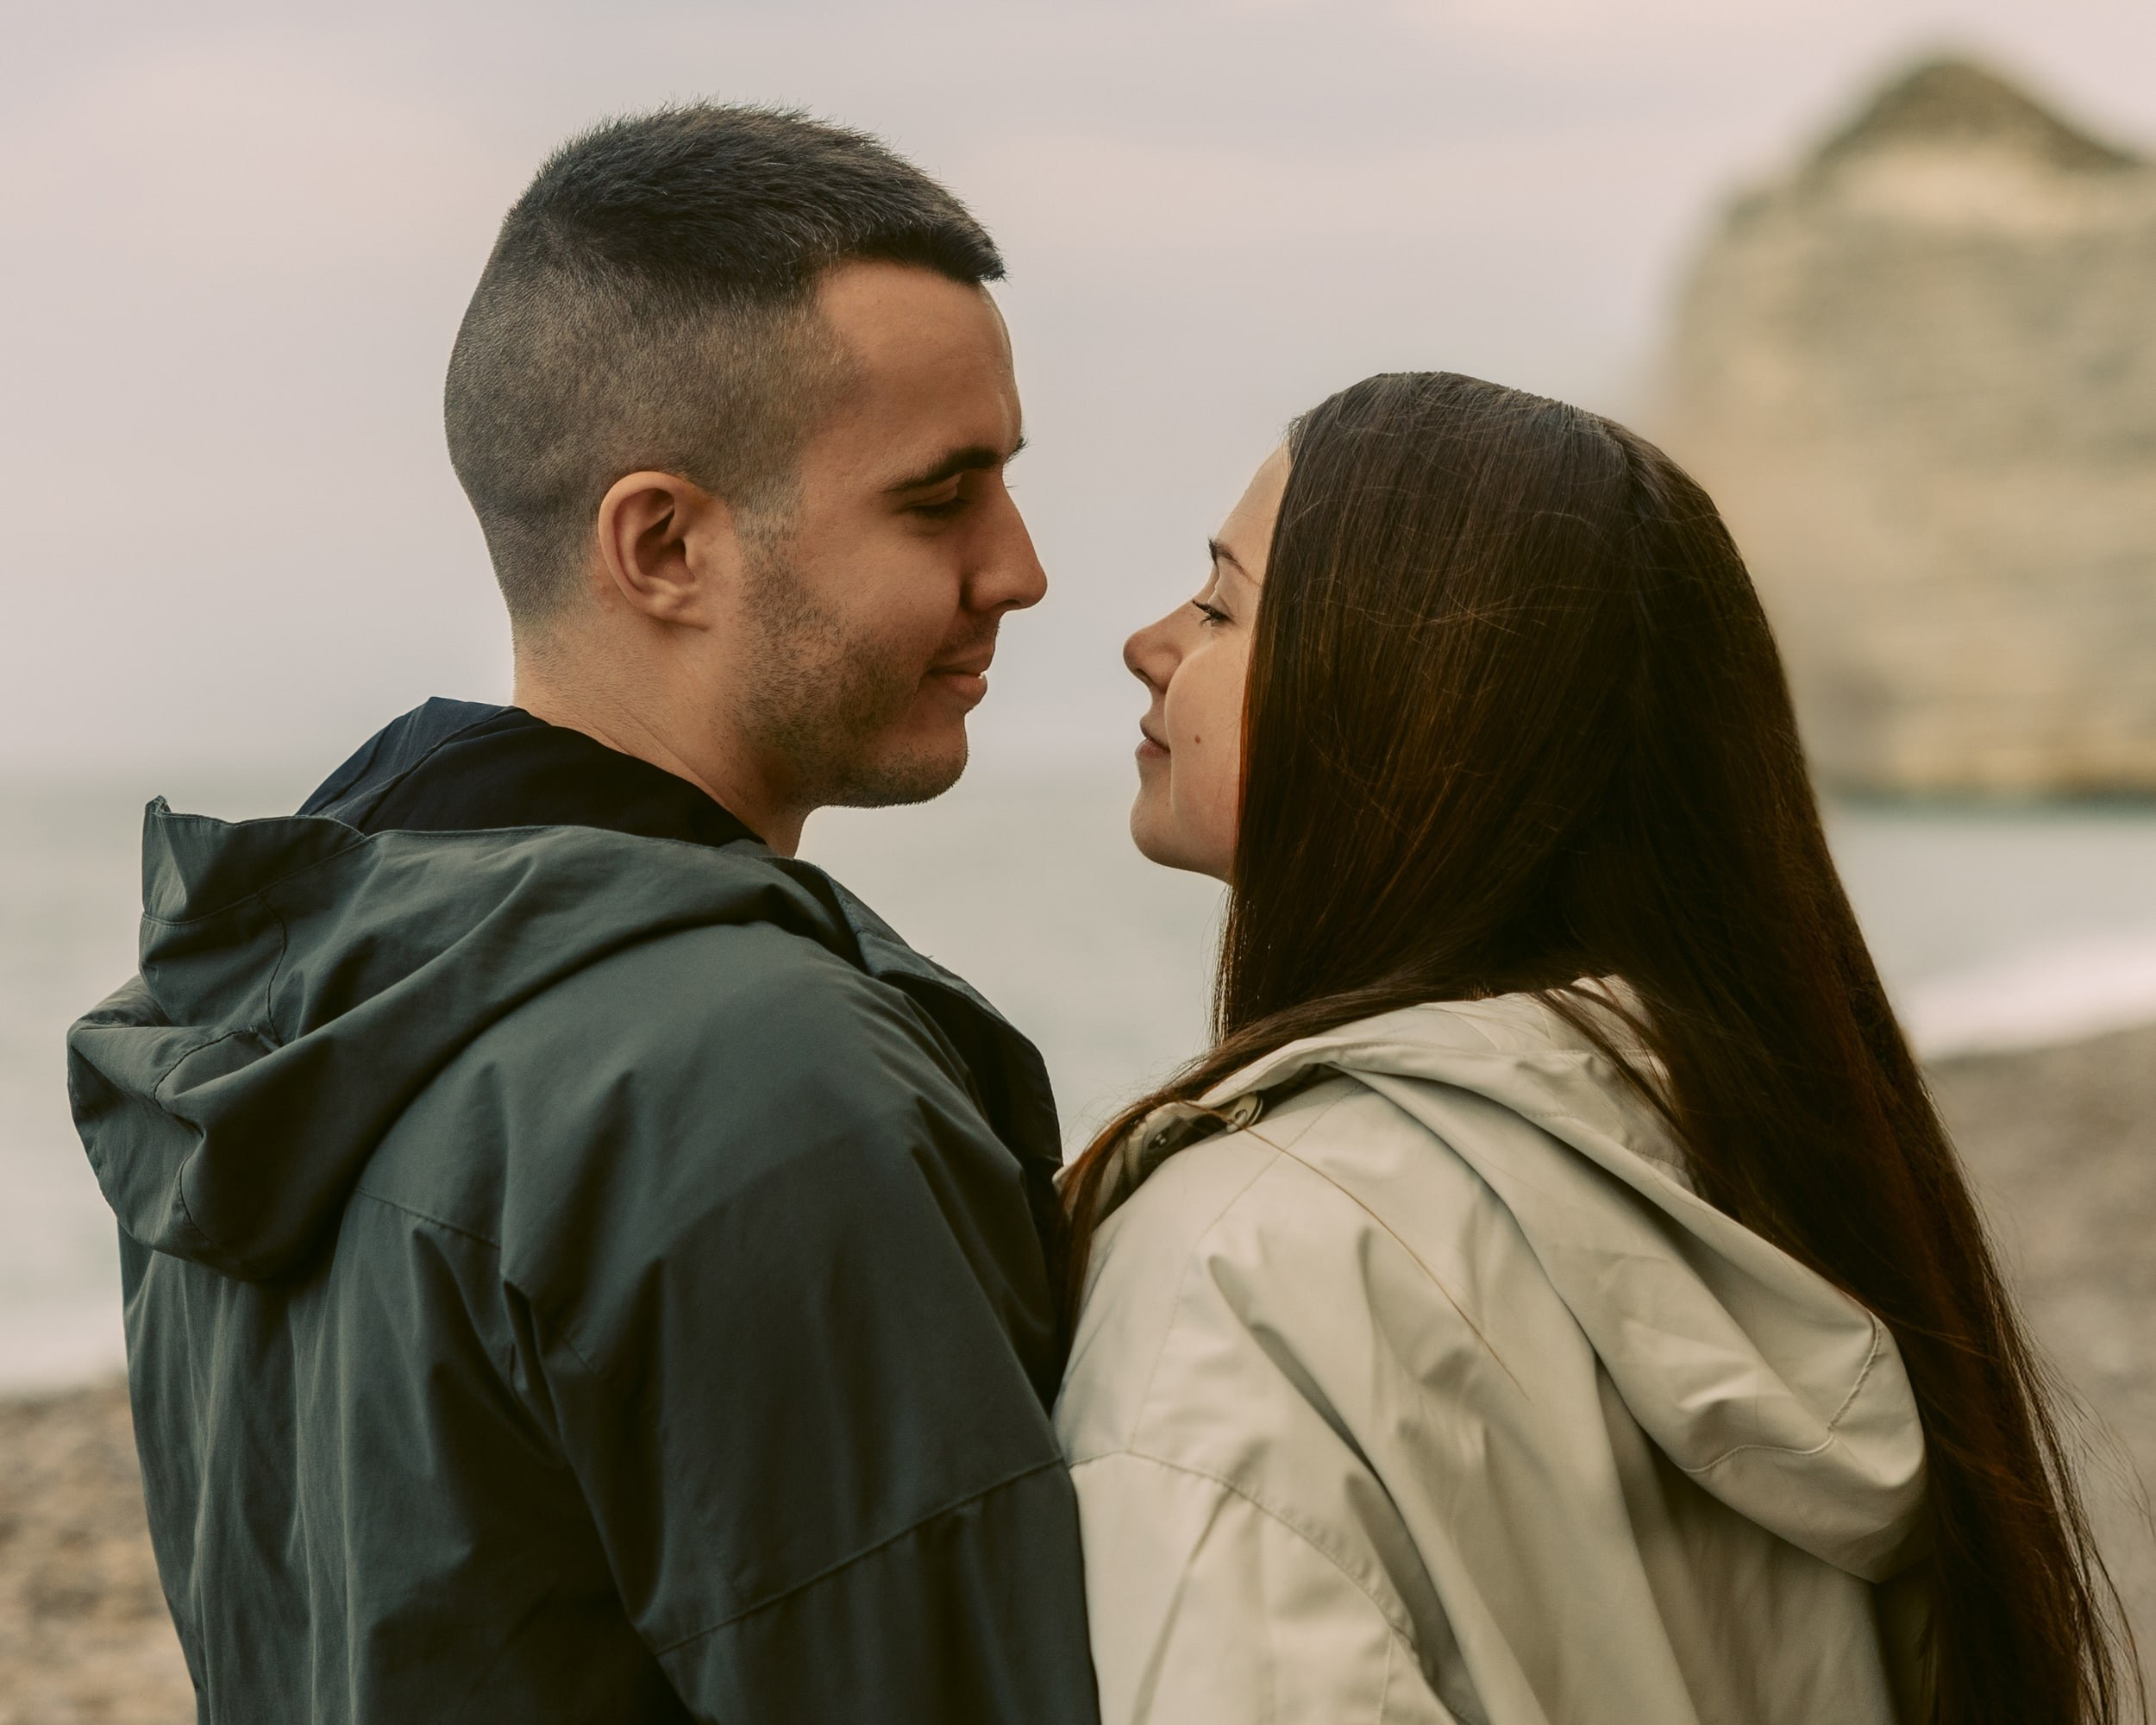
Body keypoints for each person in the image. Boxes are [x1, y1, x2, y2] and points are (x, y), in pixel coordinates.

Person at [68, 106, 1100, 1723]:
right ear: (666, 543)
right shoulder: (765, 1092)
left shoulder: (269, 1010)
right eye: (940, 498)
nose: (1021, 569)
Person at [1055, 373, 2136, 1725]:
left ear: (1415, 695)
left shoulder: (1247, 1246)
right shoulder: (1764, 1148)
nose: (1152, 643)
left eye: (1222, 603)